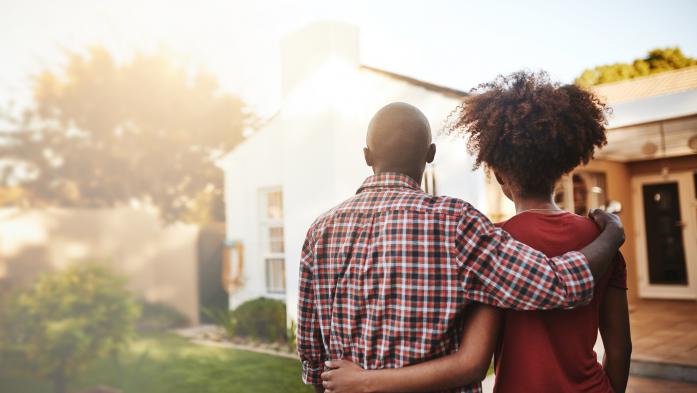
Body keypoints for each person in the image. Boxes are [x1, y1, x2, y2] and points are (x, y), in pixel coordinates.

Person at [320, 73, 632, 393]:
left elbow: (473, 359)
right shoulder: (601, 242)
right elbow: (620, 349)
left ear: (498, 175)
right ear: (562, 167)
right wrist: (611, 235)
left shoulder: (490, 240)